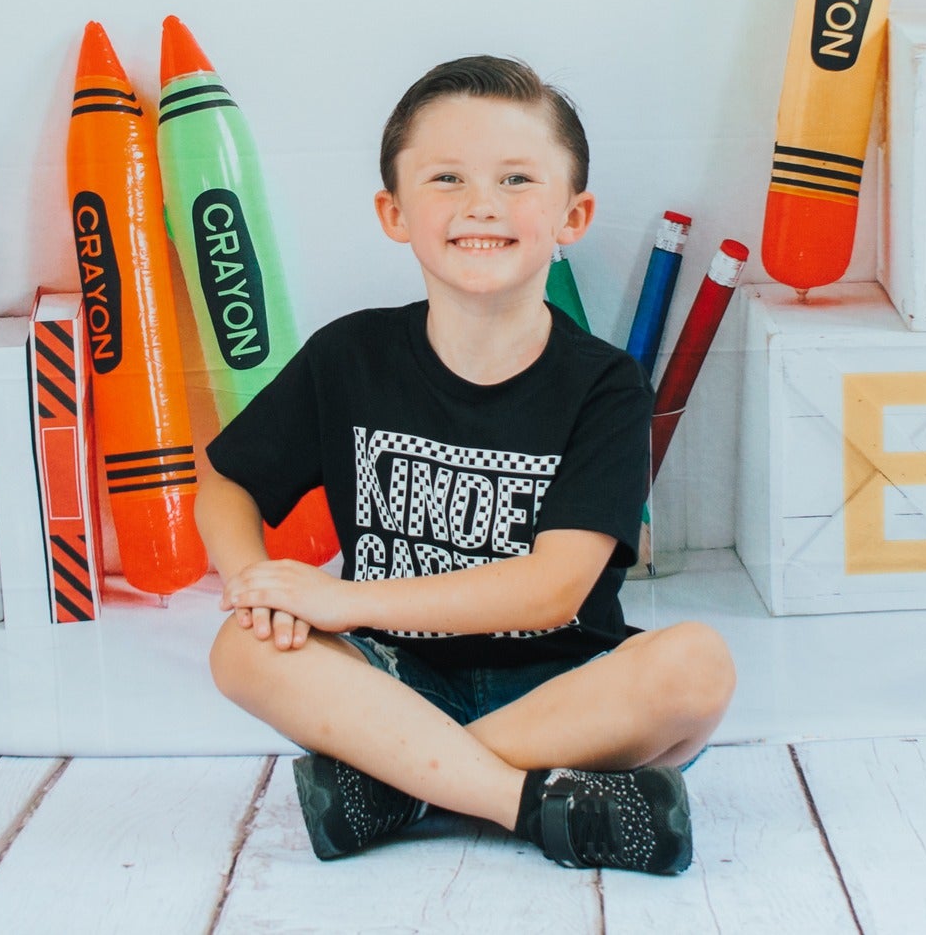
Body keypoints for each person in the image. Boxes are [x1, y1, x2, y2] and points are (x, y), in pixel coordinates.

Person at [199, 56, 735, 875]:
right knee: (240, 650)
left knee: (697, 667)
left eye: (517, 178)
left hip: (563, 688)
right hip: (385, 680)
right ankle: (529, 803)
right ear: (394, 211)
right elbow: (228, 479)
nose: (481, 203)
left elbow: (553, 585)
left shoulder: (606, 385)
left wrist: (338, 597)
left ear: (573, 214)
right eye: (446, 177)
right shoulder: (352, 354)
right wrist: (256, 585)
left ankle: (400, 785)